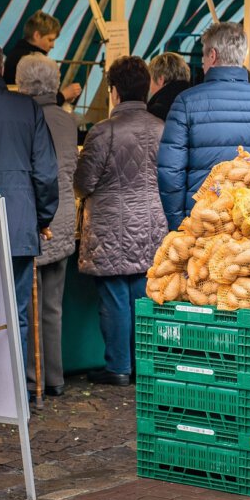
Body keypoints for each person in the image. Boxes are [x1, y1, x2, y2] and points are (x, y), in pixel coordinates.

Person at [0, 41, 59, 372]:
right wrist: (41, 218)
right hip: (18, 223)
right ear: (1, 70)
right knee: (16, 312)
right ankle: (15, 395)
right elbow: (46, 173)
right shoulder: (27, 108)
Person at [75, 56, 168, 386]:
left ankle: (118, 366)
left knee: (114, 298)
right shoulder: (162, 129)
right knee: (143, 297)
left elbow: (84, 182)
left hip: (111, 227)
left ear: (113, 92)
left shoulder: (103, 132)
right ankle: (143, 363)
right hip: (152, 225)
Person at [158, 22, 250, 230]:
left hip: (203, 225)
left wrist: (179, 225)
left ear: (212, 55)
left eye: (204, 57)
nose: (203, 63)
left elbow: (170, 174)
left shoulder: (186, 103)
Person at [16, 53, 77, 398]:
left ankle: (31, 377)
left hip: (37, 219)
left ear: (23, 84)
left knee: (27, 304)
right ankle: (54, 377)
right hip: (65, 218)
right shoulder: (68, 121)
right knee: (53, 305)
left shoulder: (24, 118)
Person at [4, 10, 82, 105]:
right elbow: (38, 101)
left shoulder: (15, 54)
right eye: (50, 40)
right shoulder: (30, 61)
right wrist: (64, 95)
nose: (52, 45)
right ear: (37, 35)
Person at [147, 52, 191, 121]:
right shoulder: (197, 103)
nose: (149, 86)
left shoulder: (157, 112)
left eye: (150, 80)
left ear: (160, 79)